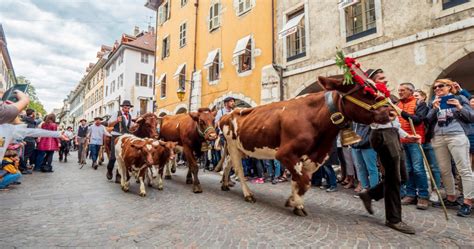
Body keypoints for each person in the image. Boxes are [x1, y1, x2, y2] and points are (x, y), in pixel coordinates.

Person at [358, 68, 420, 234]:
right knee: (393, 178)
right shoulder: (371, 97)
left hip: (393, 134)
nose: (385, 79)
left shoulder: (388, 97)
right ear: (371, 81)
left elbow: (395, 124)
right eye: (380, 77)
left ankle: (370, 194)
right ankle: (394, 219)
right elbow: (379, 121)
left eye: (385, 76)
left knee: (402, 176)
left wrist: (407, 136)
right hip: (381, 136)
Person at [427, 79, 474, 217]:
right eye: (435, 87)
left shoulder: (460, 97)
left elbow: (471, 117)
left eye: (440, 86)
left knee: (464, 169)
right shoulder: (434, 101)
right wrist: (434, 109)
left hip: (457, 135)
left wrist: (459, 106)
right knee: (444, 169)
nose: (437, 89)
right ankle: (451, 197)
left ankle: (468, 201)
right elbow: (427, 120)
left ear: (449, 87)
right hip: (438, 137)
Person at [397, 83, 430, 210]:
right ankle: (410, 194)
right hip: (402, 140)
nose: (400, 92)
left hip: (415, 140)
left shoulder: (420, 103)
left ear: (410, 91)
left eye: (403, 90)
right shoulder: (398, 105)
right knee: (408, 169)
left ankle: (422, 195)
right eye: (399, 90)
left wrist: (402, 112)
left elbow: (417, 120)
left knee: (418, 169)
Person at [106, 100, 135, 182]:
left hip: (125, 137)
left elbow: (131, 126)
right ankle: (109, 170)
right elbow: (109, 124)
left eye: (128, 108)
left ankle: (118, 175)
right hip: (116, 136)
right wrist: (116, 121)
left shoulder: (129, 115)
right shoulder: (117, 113)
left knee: (122, 157)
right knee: (113, 157)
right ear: (122, 107)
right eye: (125, 107)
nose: (127, 109)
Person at [351, 122, 379, 194]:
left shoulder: (369, 113)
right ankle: (365, 188)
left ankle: (373, 191)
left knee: (371, 168)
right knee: (360, 168)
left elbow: (375, 127)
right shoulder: (355, 114)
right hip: (355, 144)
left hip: (368, 145)